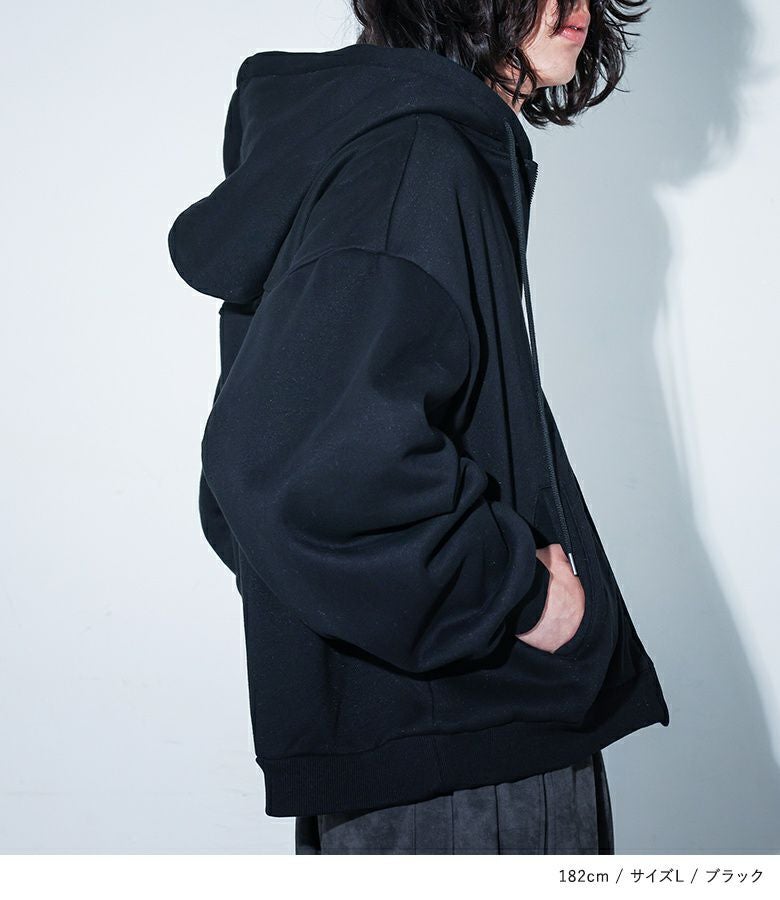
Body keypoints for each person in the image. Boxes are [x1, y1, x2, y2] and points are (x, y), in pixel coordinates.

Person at [167, 0, 669, 854]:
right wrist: (515, 597)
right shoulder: (415, 158)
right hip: (468, 763)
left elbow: (272, 471)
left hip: (427, 742)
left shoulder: (387, 147)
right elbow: (292, 469)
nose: (577, 3)